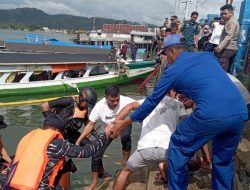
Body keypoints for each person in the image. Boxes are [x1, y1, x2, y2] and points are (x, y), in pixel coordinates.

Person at [111, 34, 248, 190]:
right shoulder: (207, 56)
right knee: (223, 160)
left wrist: (125, 121)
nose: (166, 59)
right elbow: (208, 82)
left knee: (177, 146)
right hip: (239, 111)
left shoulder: (173, 70)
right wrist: (190, 93)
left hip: (211, 113)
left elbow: (152, 102)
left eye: (165, 54)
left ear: (171, 51)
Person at [4, 114, 112, 190]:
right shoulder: (57, 143)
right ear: (57, 130)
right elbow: (86, 152)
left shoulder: (28, 138)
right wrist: (104, 135)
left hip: (13, 185)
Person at [113, 92, 187, 190]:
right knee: (192, 162)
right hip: (167, 150)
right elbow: (186, 122)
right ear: (172, 92)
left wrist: (116, 122)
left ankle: (164, 165)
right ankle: (165, 165)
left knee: (125, 171)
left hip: (145, 149)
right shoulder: (178, 104)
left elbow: (130, 106)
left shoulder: (148, 101)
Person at [75, 85, 134, 190]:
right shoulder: (99, 106)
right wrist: (78, 141)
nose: (116, 103)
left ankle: (125, 164)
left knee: (126, 139)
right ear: (106, 97)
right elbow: (90, 125)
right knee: (96, 154)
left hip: (123, 125)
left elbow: (143, 106)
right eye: (112, 101)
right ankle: (94, 182)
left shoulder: (126, 101)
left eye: (117, 100)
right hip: (108, 131)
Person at [41, 87, 97, 189]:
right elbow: (44, 106)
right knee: (63, 164)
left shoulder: (84, 109)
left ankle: (100, 172)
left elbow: (87, 123)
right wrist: (52, 125)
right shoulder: (68, 102)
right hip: (58, 136)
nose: (87, 107)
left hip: (71, 134)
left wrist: (98, 136)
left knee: (94, 148)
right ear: (81, 98)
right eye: (87, 104)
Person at [214, 4, 239, 73]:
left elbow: (229, 36)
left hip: (228, 48)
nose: (223, 15)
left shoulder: (231, 22)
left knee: (221, 68)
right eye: (222, 14)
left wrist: (220, 47)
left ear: (231, 13)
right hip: (229, 48)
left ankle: (220, 81)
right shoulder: (230, 21)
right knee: (224, 67)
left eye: (225, 14)